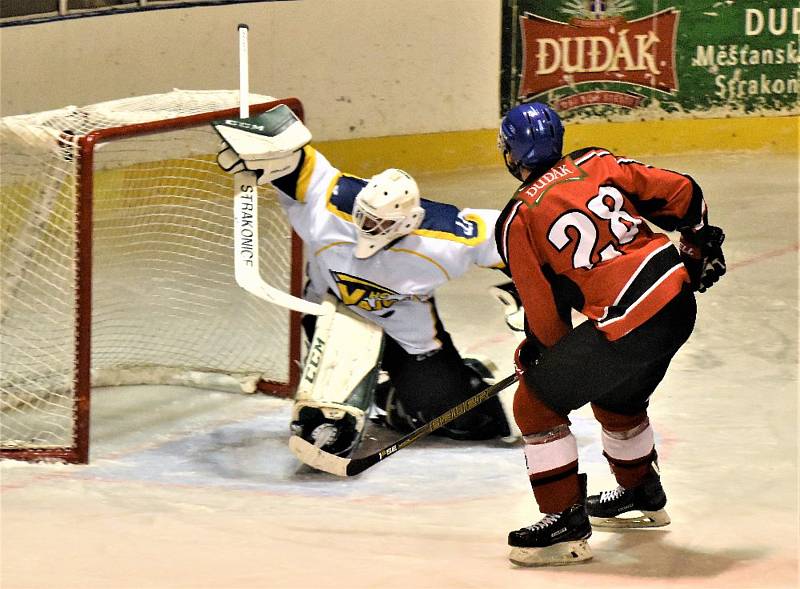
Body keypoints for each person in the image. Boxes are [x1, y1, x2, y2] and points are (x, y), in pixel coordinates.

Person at [494, 102, 726, 566]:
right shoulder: (595, 161)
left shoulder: (518, 218)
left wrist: (542, 357)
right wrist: (698, 244)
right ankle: (641, 494)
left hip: (631, 323)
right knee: (616, 399)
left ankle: (563, 523)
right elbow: (683, 191)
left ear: (512, 153)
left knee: (535, 404)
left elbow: (543, 312)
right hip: (676, 304)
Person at [213, 104, 511, 458]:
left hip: (408, 336)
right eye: (364, 218)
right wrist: (262, 146)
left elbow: (515, 238)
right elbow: (297, 159)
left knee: (476, 424)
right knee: (325, 418)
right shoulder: (328, 204)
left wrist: (527, 294)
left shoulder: (445, 239)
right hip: (332, 316)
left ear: (408, 222)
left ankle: (412, 392)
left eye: (380, 224)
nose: (368, 229)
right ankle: (368, 391)